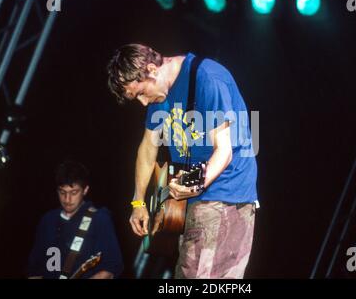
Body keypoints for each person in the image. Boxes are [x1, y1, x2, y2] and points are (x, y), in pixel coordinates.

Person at [107, 44, 258, 279]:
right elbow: (147, 148)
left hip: (224, 196)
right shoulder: (160, 95)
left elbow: (224, 152)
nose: (144, 103)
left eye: (140, 93)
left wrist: (194, 184)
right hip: (195, 202)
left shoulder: (207, 78)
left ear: (151, 69)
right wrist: (138, 202)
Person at [27, 160, 124, 279]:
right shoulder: (48, 220)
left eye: (74, 192)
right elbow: (34, 270)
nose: (67, 199)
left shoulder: (99, 219)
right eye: (62, 192)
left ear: (85, 190)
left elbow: (110, 267)